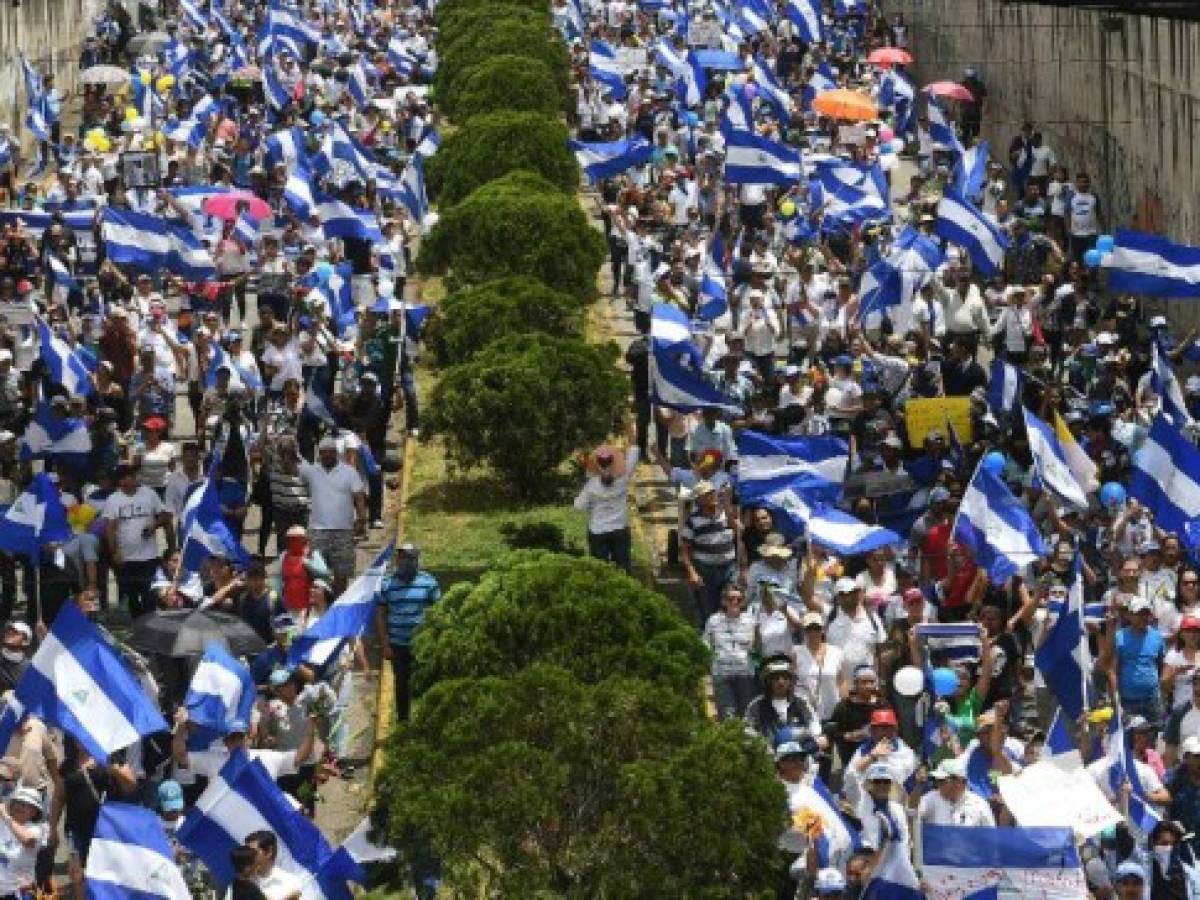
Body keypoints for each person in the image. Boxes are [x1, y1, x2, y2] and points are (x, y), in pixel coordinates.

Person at [376, 543, 441, 722]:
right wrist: (385, 645)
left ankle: (427, 719)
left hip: (423, 644)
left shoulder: (429, 582)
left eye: (409, 558)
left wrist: (435, 639)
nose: (405, 562)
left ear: (417, 560)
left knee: (425, 682)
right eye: (402, 557)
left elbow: (438, 612)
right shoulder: (387, 584)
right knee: (402, 683)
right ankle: (403, 720)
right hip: (398, 645)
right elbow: (381, 616)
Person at [101, 463, 174, 618]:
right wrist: (114, 553)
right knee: (130, 600)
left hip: (149, 557)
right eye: (127, 477)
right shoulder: (113, 500)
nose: (132, 479)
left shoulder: (149, 494)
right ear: (121, 481)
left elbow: (165, 515)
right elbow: (110, 529)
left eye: (133, 476)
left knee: (149, 597)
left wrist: (154, 526)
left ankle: (150, 631)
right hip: (126, 559)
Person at [298, 437, 367, 594]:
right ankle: (321, 606)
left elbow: (359, 496)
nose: (327, 455)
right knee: (316, 572)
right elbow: (291, 466)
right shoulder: (311, 471)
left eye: (331, 452)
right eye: (324, 452)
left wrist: (362, 519)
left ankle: (338, 603)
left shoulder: (349, 472)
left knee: (341, 573)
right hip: (317, 531)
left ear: (336, 453)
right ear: (319, 454)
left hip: (344, 531)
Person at [574, 425, 640, 572]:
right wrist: (630, 427)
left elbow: (578, 506)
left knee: (600, 571)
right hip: (620, 529)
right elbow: (634, 450)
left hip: (598, 531)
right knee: (623, 567)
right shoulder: (623, 477)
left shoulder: (591, 486)